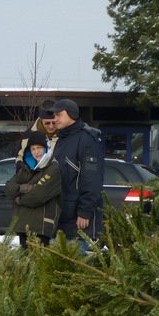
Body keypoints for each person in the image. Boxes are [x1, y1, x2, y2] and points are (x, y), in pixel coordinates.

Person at [51, 98, 105, 243]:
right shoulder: (61, 140)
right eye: (54, 115)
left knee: (76, 263)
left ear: (72, 114)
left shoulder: (87, 140)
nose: (55, 119)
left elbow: (92, 179)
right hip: (61, 217)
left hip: (79, 223)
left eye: (59, 115)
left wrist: (85, 212)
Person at [5, 130, 62, 248]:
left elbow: (38, 196)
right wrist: (24, 188)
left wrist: (18, 199)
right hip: (23, 226)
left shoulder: (53, 169)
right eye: (33, 149)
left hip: (41, 228)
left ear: (46, 148)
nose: (37, 152)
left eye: (39, 148)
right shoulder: (26, 169)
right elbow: (9, 188)